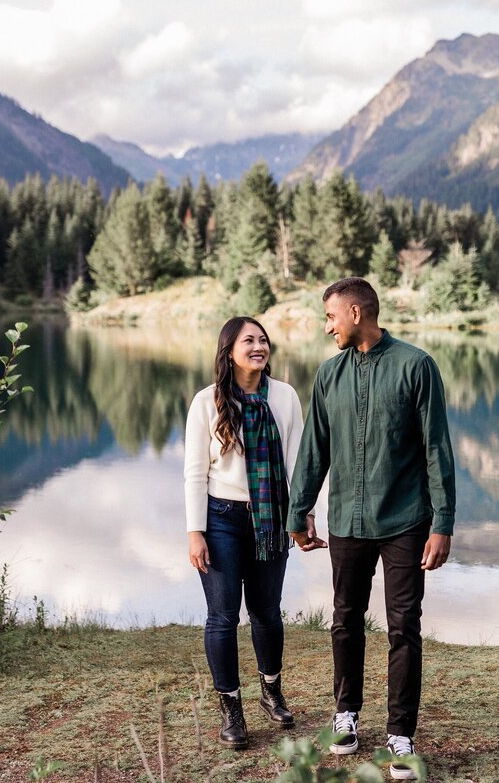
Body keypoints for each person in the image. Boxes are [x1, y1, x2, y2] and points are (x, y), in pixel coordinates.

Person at [287, 277, 455, 781]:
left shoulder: (416, 367)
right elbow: (314, 449)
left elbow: (436, 451)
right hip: (349, 522)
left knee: (404, 626)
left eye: (331, 316)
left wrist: (442, 523)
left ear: (357, 313)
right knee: (345, 619)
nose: (327, 326)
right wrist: (300, 513)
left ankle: (401, 735)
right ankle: (347, 717)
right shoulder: (327, 375)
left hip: (406, 520)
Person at [184, 316, 314, 749]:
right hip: (220, 517)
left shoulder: (285, 396)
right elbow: (193, 474)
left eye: (263, 340)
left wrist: (304, 513)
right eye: (249, 341)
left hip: (272, 516)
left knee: (266, 612)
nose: (259, 347)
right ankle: (231, 709)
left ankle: (271, 689)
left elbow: (297, 461)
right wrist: (195, 531)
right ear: (229, 350)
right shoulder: (207, 401)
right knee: (222, 616)